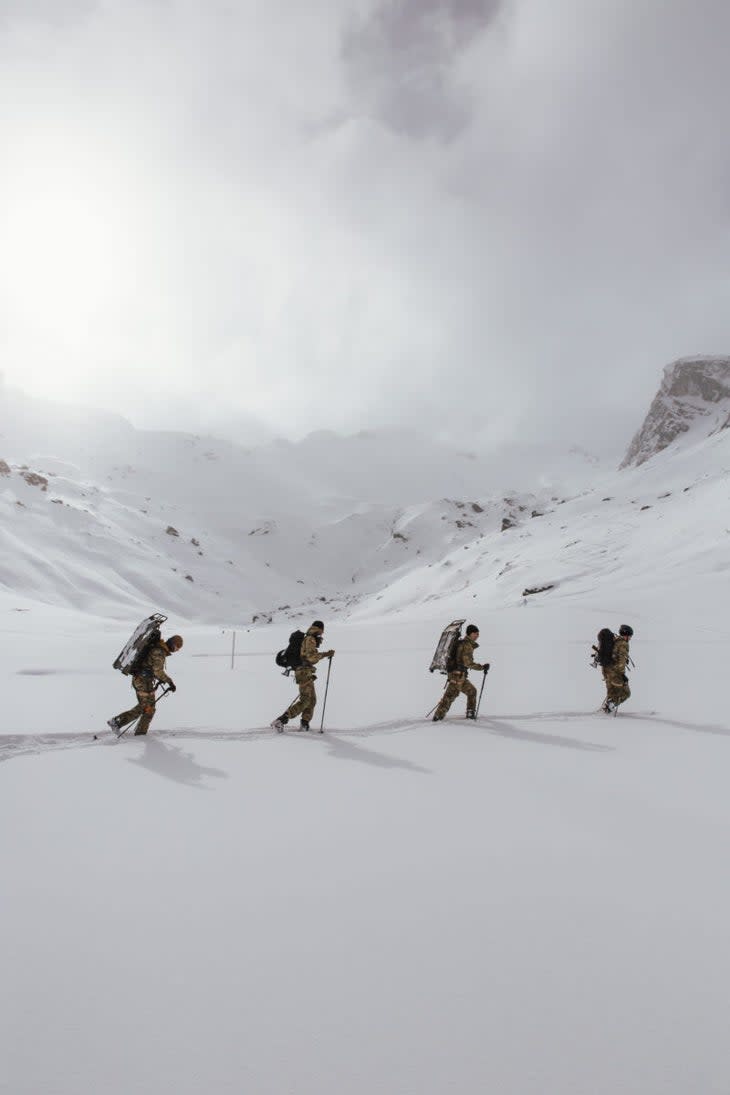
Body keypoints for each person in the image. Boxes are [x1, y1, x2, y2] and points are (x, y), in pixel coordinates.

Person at [108, 634, 183, 736]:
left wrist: (159, 679)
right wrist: (170, 682)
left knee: (149, 708)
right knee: (145, 707)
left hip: (145, 681)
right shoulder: (159, 652)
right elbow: (158, 671)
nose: (176, 650)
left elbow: (150, 667)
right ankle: (117, 722)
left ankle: (140, 733)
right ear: (173, 644)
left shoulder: (160, 649)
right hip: (142, 682)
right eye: (177, 648)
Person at [271, 620, 334, 731]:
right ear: (320, 628)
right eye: (322, 631)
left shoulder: (310, 637)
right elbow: (310, 657)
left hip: (305, 672)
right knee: (306, 700)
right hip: (304, 672)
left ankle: (304, 723)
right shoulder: (310, 639)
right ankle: (281, 720)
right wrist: (325, 654)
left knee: (312, 700)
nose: (322, 634)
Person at [433, 624, 489, 721]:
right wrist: (482, 667)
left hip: (460, 676)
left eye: (478, 634)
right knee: (450, 696)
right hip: (457, 676)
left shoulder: (463, 643)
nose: (477, 635)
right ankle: (438, 717)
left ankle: (470, 713)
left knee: (472, 691)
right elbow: (467, 662)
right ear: (470, 633)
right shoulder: (467, 645)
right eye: (476, 633)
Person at [600, 624, 633, 713]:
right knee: (626, 693)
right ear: (626, 635)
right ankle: (610, 707)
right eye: (630, 636)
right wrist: (622, 675)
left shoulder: (615, 640)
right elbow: (621, 661)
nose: (630, 638)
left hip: (606, 671)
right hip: (615, 673)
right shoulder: (623, 644)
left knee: (611, 693)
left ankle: (606, 712)